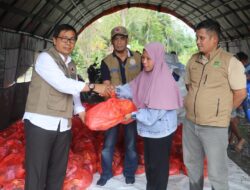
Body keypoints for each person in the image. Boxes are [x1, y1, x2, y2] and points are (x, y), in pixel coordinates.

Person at [23, 24, 109, 190]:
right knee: (37, 173)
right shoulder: (45, 58)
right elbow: (63, 84)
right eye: (64, 38)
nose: (68, 43)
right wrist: (93, 87)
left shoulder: (71, 63)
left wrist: (81, 111)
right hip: (41, 122)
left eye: (72, 39)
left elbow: (73, 90)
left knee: (57, 172)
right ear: (54, 40)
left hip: (62, 124)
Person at [183, 19, 247, 190]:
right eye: (196, 37)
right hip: (190, 123)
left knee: (217, 171)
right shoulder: (193, 59)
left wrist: (222, 112)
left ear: (214, 39)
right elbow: (189, 85)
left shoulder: (230, 62)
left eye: (201, 38)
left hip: (214, 126)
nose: (197, 41)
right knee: (192, 164)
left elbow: (240, 93)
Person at [116, 42, 182, 190]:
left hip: (161, 131)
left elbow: (153, 115)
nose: (144, 61)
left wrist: (132, 115)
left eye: (148, 58)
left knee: (158, 166)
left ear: (158, 58)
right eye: (143, 58)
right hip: (149, 130)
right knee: (150, 164)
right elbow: (132, 88)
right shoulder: (146, 75)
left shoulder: (163, 80)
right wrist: (114, 91)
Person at [97, 26, 142, 186]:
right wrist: (115, 96)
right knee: (108, 143)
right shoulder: (106, 62)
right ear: (112, 42)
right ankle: (106, 173)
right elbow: (107, 86)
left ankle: (129, 173)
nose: (119, 41)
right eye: (116, 39)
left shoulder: (138, 58)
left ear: (127, 39)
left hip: (131, 108)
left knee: (130, 143)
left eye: (122, 38)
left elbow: (146, 80)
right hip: (114, 107)